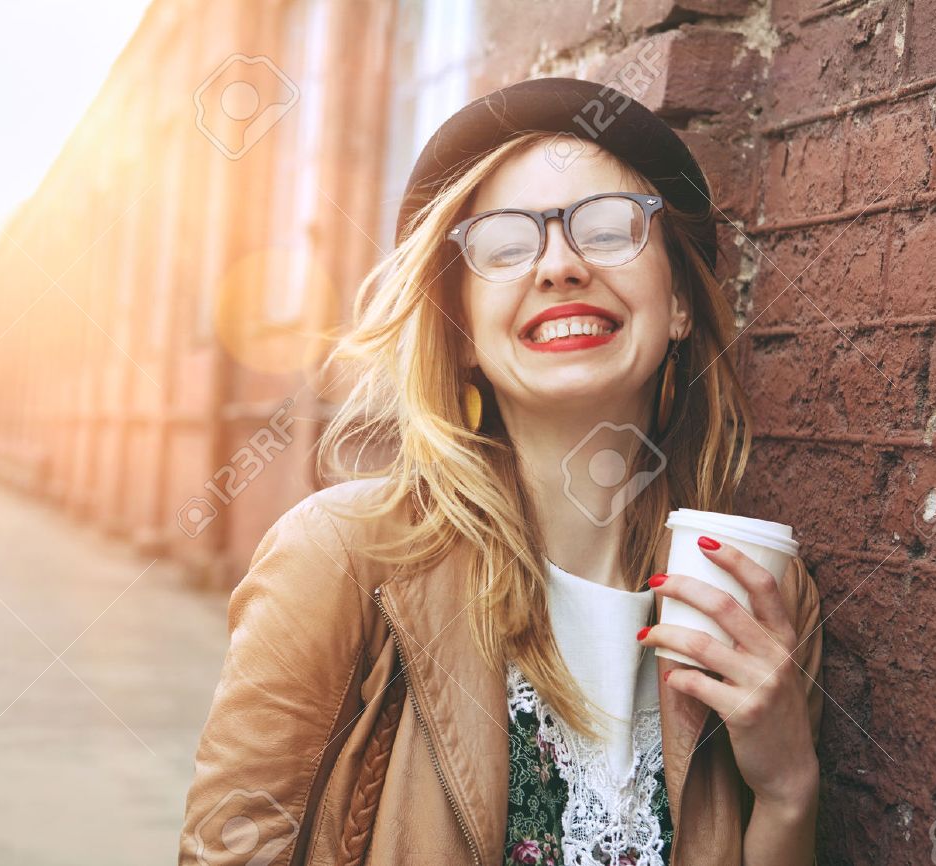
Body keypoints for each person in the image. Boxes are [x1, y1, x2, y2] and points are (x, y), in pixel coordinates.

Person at [180, 77, 824, 866]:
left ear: (681, 303)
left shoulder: (760, 596)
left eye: (609, 228)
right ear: (459, 334)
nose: (559, 265)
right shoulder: (341, 557)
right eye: (507, 245)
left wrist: (790, 792)